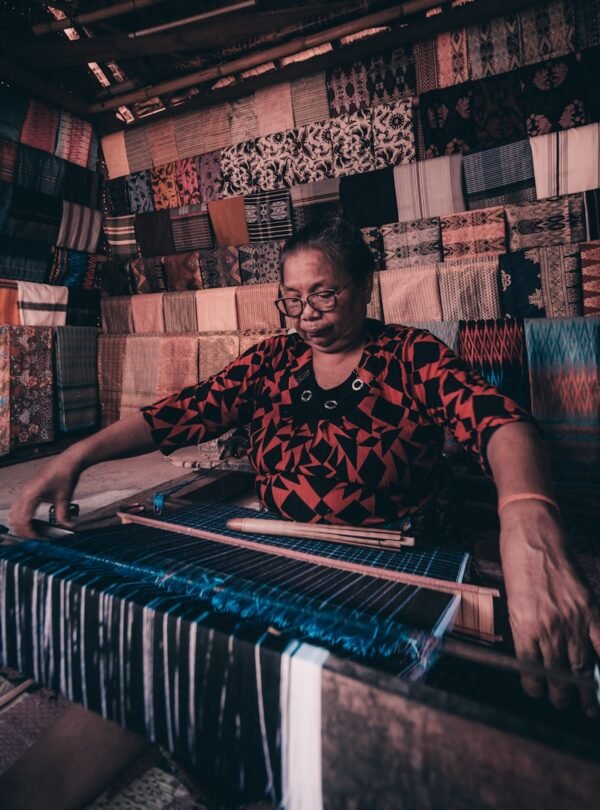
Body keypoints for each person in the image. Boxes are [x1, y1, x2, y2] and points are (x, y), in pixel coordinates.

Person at [3, 214, 599, 808]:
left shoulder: (411, 355)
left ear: (365, 286)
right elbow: (179, 412)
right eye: (292, 298)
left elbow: (500, 421)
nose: (307, 314)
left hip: (382, 578)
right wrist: (76, 456)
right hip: (280, 559)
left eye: (323, 294)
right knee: (161, 655)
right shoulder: (271, 364)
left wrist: (528, 518)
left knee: (342, 720)